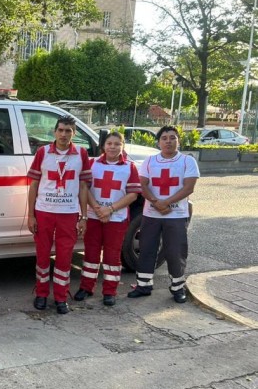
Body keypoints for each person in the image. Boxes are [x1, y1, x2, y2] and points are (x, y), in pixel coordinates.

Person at [128, 125, 199, 303]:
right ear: (159, 142)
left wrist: (165, 203)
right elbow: (142, 185)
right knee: (146, 249)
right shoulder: (150, 161)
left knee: (176, 251)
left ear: (178, 141)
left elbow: (189, 187)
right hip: (151, 214)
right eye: (164, 138)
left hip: (176, 215)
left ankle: (177, 287)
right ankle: (143, 285)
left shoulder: (187, 161)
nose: (168, 141)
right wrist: (155, 202)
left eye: (172, 138)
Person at [27, 115, 91, 314]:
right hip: (44, 211)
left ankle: (62, 297)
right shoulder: (43, 152)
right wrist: (31, 215)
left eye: (68, 131)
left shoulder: (81, 154)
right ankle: (41, 294)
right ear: (54, 132)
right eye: (61, 130)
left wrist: (84, 216)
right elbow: (34, 185)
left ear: (74, 133)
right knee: (42, 255)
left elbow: (82, 186)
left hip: (68, 213)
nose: (64, 134)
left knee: (64, 257)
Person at [74, 131, 141, 306]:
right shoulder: (92, 163)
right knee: (91, 253)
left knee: (112, 257)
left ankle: (110, 291)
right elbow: (83, 188)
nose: (113, 147)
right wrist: (97, 208)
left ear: (123, 146)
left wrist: (109, 209)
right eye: (109, 143)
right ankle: (86, 287)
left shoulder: (130, 167)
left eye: (117, 144)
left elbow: (133, 194)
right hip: (94, 216)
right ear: (103, 146)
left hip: (117, 218)